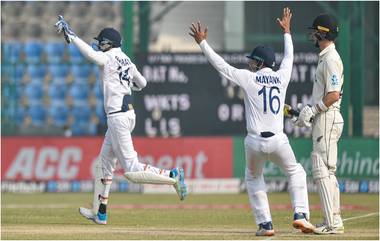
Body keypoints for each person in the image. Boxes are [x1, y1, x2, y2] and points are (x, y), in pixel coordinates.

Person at [189, 7, 314, 237]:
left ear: (258, 62)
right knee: (296, 172)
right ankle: (300, 215)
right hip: (278, 140)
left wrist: (203, 44)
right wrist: (287, 32)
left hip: (255, 141)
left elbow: (222, 66)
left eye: (252, 62)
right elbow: (289, 57)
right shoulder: (282, 76)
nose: (250, 65)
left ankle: (265, 224)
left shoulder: (249, 78)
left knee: (253, 177)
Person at [54, 16, 187, 225]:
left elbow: (92, 56)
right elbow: (142, 83)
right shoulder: (127, 59)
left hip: (117, 117)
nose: (99, 44)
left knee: (132, 171)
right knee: (104, 165)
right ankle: (100, 212)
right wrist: (127, 86)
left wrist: (73, 37)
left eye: (101, 42)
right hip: (126, 114)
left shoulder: (109, 57)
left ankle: (173, 175)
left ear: (109, 43)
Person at [294, 13, 344, 235]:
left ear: (323, 33)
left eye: (315, 31)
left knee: (321, 168)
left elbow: (333, 95)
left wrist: (314, 110)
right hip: (325, 117)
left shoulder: (331, 58)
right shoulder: (326, 57)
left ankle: (331, 223)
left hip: (328, 117)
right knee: (327, 170)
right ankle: (335, 219)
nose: (312, 35)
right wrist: (309, 113)